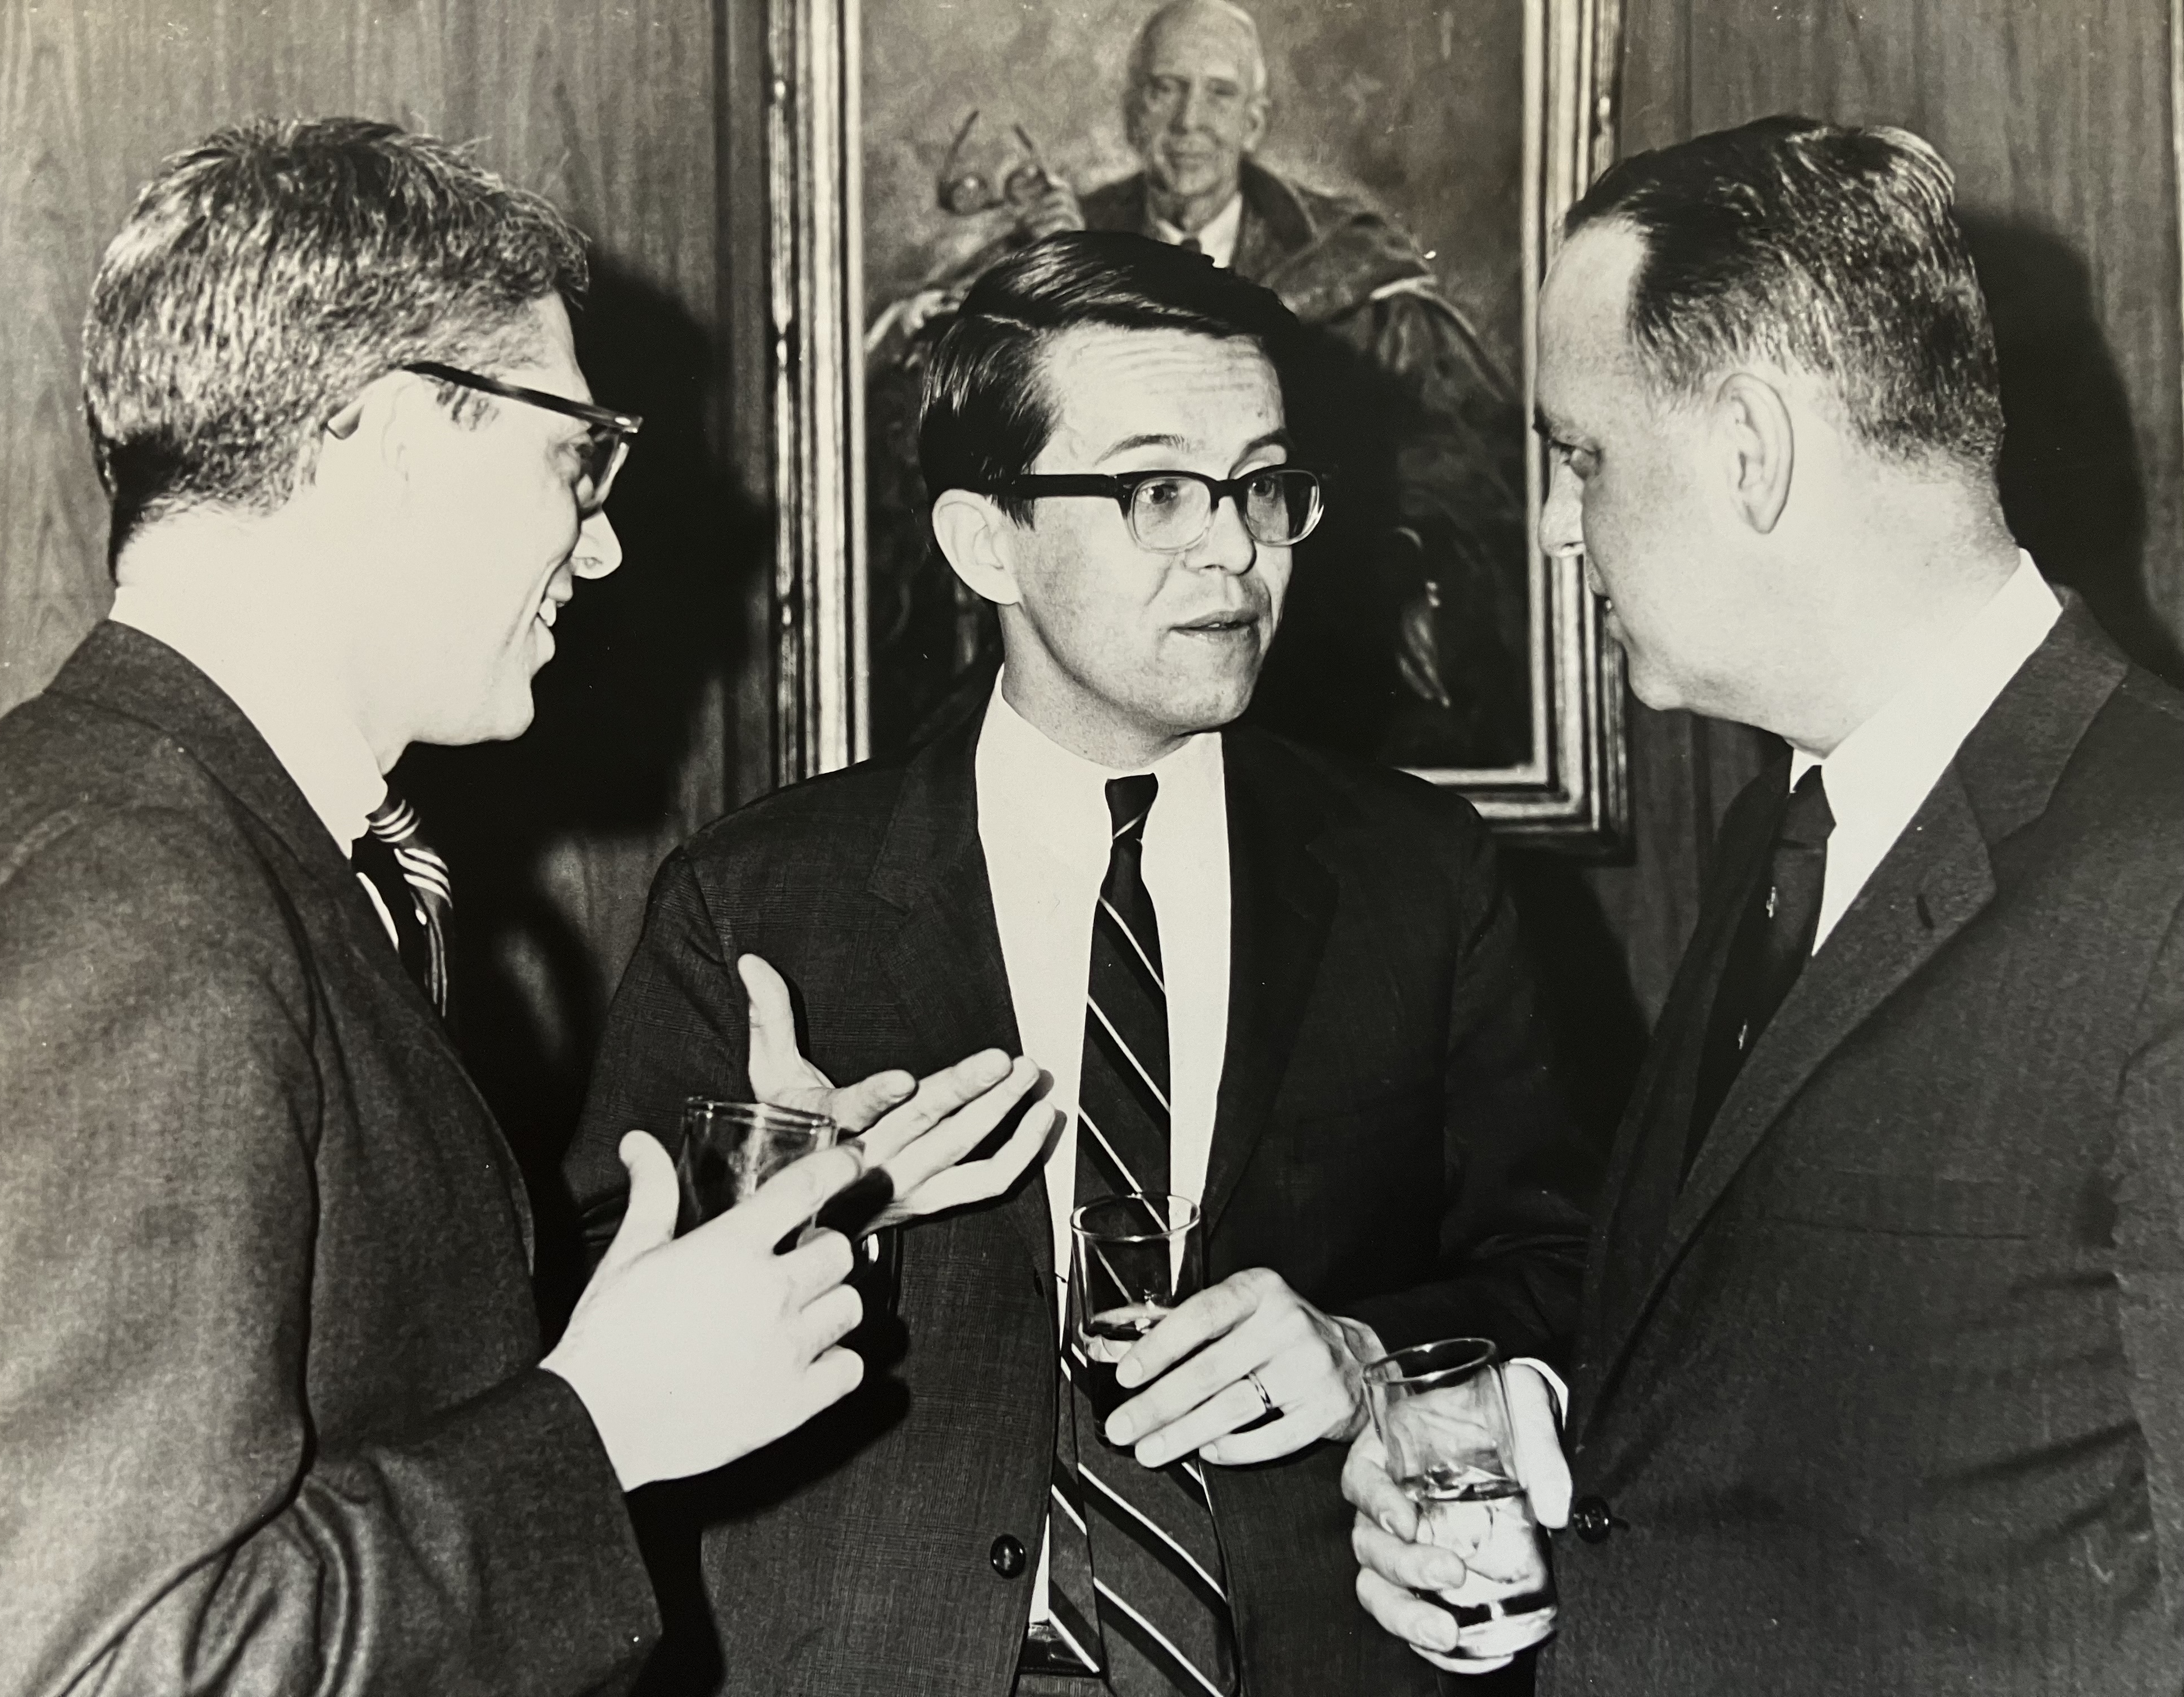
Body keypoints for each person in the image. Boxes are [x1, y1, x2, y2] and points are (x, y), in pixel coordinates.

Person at [0, 117, 1048, 1697]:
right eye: (577, 457)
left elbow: (352, 1365)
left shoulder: (195, 832)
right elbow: (91, 1666)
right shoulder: (134, 915)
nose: (600, 543)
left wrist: (757, 1210)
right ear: (393, 440)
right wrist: (599, 1438)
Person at [567, 230, 1592, 1697]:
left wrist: (1365, 1352)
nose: (1235, 549)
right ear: (989, 540)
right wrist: (795, 1203)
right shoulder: (761, 899)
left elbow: (1573, 1273)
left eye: (1263, 487)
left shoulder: (1420, 874)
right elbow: (591, 1337)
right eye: (1159, 490)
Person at [1343, 116, 2184, 1693]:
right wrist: (1556, 1456)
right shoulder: (1782, 839)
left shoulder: (2168, 881)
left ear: (1751, 446)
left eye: (1582, 454)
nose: (1555, 523)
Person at [867, 0, 1530, 770]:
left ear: (1255, 120)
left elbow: (1469, 477)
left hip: (1308, 657)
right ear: (1129, 110)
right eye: (1164, 90)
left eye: (1217, 95)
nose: (1189, 122)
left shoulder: (1342, 258)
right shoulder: (1063, 234)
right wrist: (1056, 280)